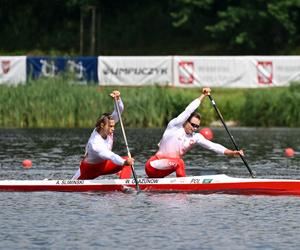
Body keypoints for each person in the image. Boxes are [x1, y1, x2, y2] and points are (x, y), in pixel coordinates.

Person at [145, 87, 244, 178]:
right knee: (180, 163)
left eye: (197, 126)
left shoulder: (196, 137)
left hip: (165, 170)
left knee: (178, 163)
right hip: (153, 165)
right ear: (185, 121)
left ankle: (179, 189)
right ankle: (184, 190)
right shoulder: (175, 126)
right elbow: (188, 110)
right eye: (193, 125)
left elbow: (213, 146)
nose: (195, 128)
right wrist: (203, 95)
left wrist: (232, 152)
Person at [72, 90, 134, 180]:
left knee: (129, 160)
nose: (113, 128)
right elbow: (111, 156)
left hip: (104, 166)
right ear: (102, 125)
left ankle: (123, 185)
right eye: (110, 126)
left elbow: (119, 111)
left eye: (113, 125)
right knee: (125, 161)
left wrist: (118, 99)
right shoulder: (95, 143)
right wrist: (124, 162)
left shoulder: (107, 127)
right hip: (89, 170)